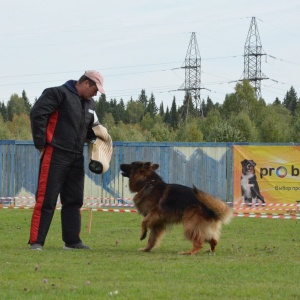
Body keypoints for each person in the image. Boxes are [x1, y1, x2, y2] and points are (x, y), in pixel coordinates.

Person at [29, 70, 105, 250]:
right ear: (86, 83)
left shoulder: (90, 104)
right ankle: (36, 241)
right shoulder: (56, 93)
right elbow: (37, 114)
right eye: (95, 89)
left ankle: (72, 241)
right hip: (55, 153)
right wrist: (41, 143)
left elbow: (88, 128)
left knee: (74, 199)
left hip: (76, 155)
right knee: (47, 199)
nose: (96, 94)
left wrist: (100, 138)